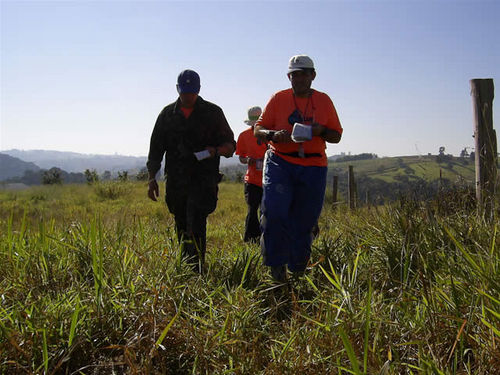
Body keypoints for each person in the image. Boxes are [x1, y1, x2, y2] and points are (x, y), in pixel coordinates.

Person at [254, 55, 343, 282]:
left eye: (303, 73)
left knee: (304, 220)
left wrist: (320, 130)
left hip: (313, 165)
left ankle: (298, 271)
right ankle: (276, 270)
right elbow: (258, 129)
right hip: (280, 161)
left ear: (313, 75)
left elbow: (337, 136)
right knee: (274, 212)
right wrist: (273, 135)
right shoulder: (279, 98)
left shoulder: (324, 101)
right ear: (289, 77)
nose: (299, 78)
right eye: (294, 74)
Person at [147, 69, 235, 273]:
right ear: (178, 89)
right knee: (180, 221)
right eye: (184, 92)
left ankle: (196, 269)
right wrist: (152, 179)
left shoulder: (213, 113)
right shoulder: (167, 115)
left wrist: (215, 151)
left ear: (199, 90)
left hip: (203, 180)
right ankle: (186, 266)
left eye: (192, 92)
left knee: (196, 222)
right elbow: (156, 149)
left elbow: (231, 146)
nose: (188, 97)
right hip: (176, 181)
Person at [235, 106, 268, 243]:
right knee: (252, 210)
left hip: (268, 180)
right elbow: (241, 157)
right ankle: (250, 240)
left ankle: (264, 238)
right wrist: (249, 160)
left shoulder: (269, 134)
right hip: (252, 180)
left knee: (266, 211)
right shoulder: (244, 136)